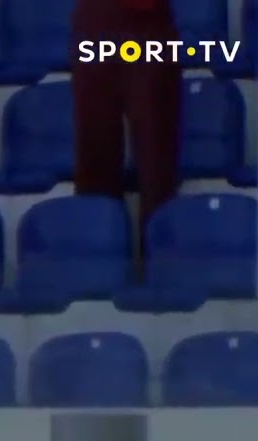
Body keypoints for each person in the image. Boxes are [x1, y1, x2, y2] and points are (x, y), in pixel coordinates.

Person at [71, 0, 181, 265]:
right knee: (95, 152)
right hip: (97, 20)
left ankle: (158, 266)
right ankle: (98, 260)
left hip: (145, 23)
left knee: (156, 157)